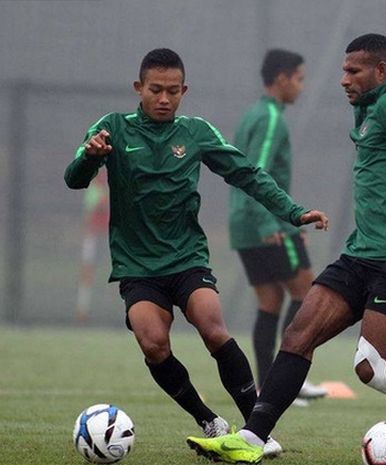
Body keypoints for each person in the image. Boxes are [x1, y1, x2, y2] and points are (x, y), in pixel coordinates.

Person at [187, 33, 386, 465]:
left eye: (353, 71)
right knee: (299, 333)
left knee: (372, 370)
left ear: (381, 71)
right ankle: (251, 440)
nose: (342, 79)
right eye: (343, 70)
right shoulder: (366, 111)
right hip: (360, 254)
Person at [64, 48, 328, 457]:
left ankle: (256, 431)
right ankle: (208, 419)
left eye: (173, 91)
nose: (164, 98)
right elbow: (74, 179)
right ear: (139, 88)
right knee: (153, 344)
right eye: (155, 90)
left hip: (187, 258)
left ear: (184, 90)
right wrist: (89, 156)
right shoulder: (112, 128)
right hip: (137, 266)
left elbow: (248, 174)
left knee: (213, 326)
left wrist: (293, 212)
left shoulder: (196, 132)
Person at [229, 49, 326, 402]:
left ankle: (268, 385)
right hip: (266, 224)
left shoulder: (253, 114)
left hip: (243, 225)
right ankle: (289, 379)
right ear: (282, 78)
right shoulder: (270, 118)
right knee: (308, 292)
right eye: (300, 79)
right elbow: (258, 171)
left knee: (270, 301)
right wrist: (268, 220)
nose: (302, 86)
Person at [75, 169, 109, 322]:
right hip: (94, 233)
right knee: (87, 270)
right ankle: (83, 310)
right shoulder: (94, 183)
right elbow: (91, 209)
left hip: (113, 233)